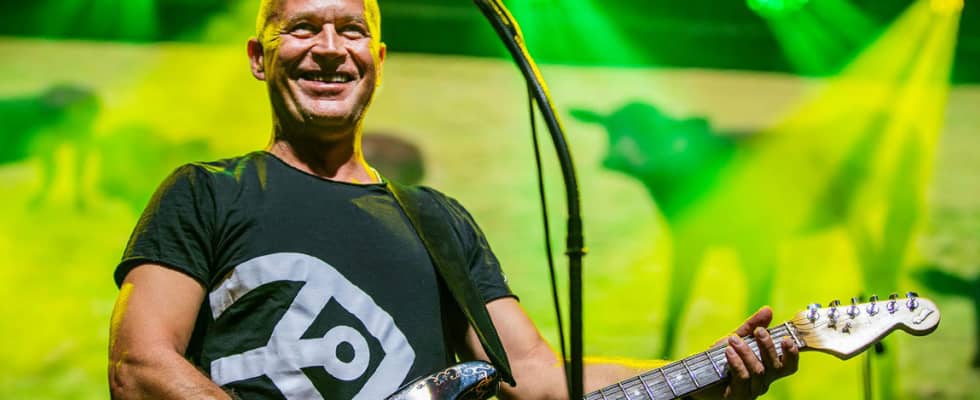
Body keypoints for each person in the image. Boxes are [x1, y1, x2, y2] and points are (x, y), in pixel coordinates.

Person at [107, 0, 799, 399]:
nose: (329, 48)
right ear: (259, 58)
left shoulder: (437, 220)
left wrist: (710, 371)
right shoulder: (207, 192)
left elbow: (537, 377)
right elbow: (138, 366)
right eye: (303, 28)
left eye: (351, 30)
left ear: (378, 62)